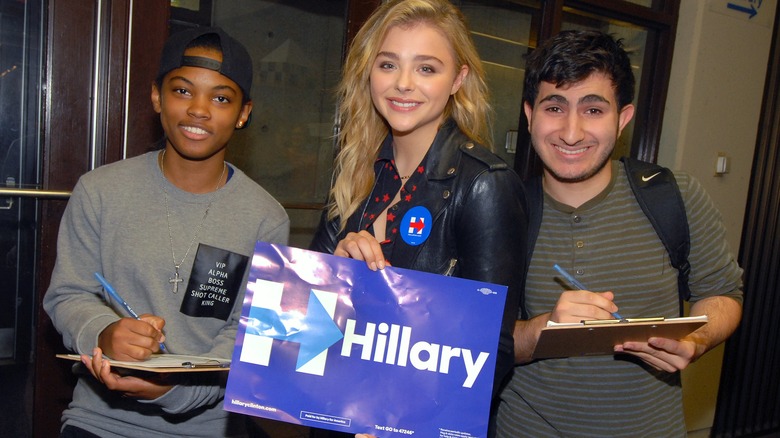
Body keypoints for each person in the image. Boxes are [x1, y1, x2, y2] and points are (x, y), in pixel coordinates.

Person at [43, 27, 289, 438]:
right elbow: (68, 293)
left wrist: (170, 390)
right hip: (99, 420)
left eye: (221, 98)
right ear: (157, 97)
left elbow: (247, 336)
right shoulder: (100, 191)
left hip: (207, 427)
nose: (199, 110)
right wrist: (104, 331)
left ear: (244, 113)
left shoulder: (266, 218)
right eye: (182, 91)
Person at [495, 30, 744, 437]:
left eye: (593, 110)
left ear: (623, 118)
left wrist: (695, 339)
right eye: (554, 107)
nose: (571, 132)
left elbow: (723, 295)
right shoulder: (502, 210)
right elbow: (476, 340)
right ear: (529, 115)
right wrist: (542, 329)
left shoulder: (674, 196)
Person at [308, 0, 527, 436]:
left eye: (426, 68)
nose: (404, 84)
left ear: (457, 80)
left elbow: (491, 350)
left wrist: (397, 423)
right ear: (369, 72)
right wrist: (338, 269)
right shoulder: (355, 174)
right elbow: (306, 327)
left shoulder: (484, 183)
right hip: (338, 418)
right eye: (388, 65)